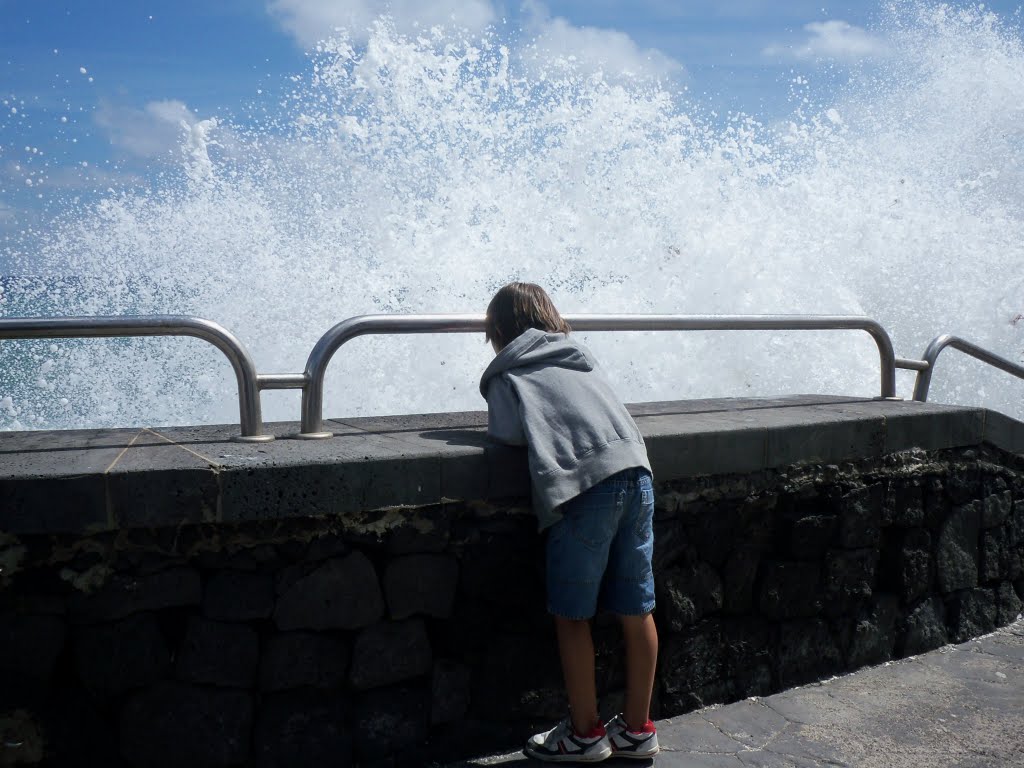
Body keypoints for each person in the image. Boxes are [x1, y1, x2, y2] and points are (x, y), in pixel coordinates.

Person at [479, 282, 660, 763]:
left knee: (572, 614)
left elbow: (508, 434)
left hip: (585, 489)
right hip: (637, 474)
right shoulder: (581, 354)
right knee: (636, 608)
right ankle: (638, 730)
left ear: (498, 330)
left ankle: (584, 734)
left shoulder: (507, 372)